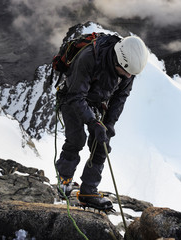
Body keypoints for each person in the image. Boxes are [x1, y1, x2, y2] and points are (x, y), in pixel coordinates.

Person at [55, 34, 148, 210]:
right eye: (126, 72)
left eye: (131, 74)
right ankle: (64, 179)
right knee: (76, 139)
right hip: (72, 96)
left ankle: (89, 191)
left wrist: (108, 125)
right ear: (118, 60)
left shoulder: (130, 67)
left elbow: (120, 97)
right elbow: (76, 96)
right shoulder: (89, 58)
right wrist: (92, 122)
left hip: (97, 102)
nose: (128, 76)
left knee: (102, 144)